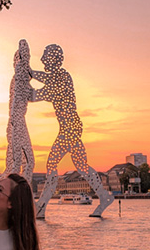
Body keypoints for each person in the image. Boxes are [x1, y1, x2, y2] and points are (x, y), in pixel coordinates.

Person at [29, 44, 114, 218]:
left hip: (70, 127)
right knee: (82, 167)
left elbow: (38, 95)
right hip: (72, 127)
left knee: (52, 164)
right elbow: (44, 77)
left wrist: (24, 85)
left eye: (45, 56)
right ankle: (105, 196)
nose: (42, 59)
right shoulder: (58, 76)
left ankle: (42, 205)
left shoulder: (62, 78)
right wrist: (29, 72)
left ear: (53, 59)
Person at [4, 38, 35, 183]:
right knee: (25, 162)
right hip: (17, 123)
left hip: (15, 123)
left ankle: (16, 194)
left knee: (20, 162)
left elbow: (31, 96)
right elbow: (20, 99)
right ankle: (18, 194)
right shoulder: (20, 77)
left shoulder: (19, 79)